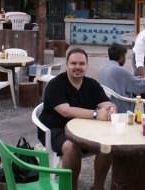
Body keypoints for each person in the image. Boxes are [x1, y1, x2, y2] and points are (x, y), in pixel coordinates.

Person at [38, 48, 116, 190]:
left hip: (84, 129)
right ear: (66, 64)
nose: (77, 67)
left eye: (81, 63)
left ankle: (98, 187)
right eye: (73, 63)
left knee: (107, 145)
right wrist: (96, 114)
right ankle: (71, 187)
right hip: (55, 129)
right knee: (71, 146)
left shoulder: (91, 84)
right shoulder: (55, 84)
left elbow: (107, 103)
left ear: (87, 65)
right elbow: (65, 111)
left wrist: (111, 111)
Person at [98, 43, 145, 113]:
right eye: (124, 56)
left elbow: (127, 80)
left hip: (108, 105)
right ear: (121, 57)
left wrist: (136, 78)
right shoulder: (119, 70)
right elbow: (139, 87)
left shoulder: (103, 68)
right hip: (123, 108)